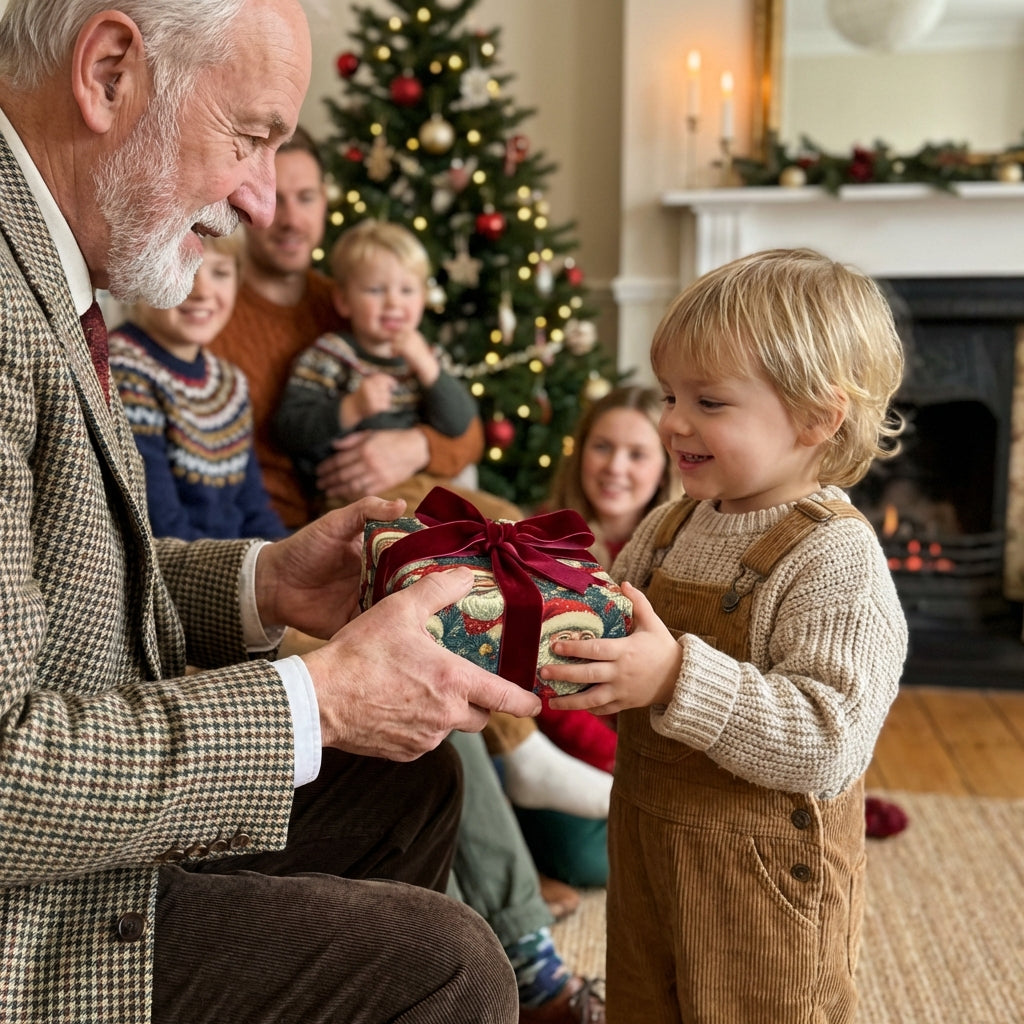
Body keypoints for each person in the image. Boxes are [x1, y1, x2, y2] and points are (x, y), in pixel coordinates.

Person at [0, 3, 542, 1022]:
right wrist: (318, 700)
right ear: (109, 70)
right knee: (449, 968)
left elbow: (45, 574)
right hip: (29, 926)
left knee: (410, 787)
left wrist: (267, 581)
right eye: (249, 138)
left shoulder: (50, 261)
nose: (259, 199)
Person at [211, 127, 603, 1023]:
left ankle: (556, 733)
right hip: (300, 535)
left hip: (372, 516)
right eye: (264, 182)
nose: (281, 207)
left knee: (502, 536)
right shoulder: (208, 293)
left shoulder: (341, 297)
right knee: (432, 627)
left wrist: (410, 438)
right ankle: (518, 823)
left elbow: (460, 432)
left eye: (305, 192)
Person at [543, 248, 910, 1022]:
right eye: (673, 395)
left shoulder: (834, 556)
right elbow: (616, 634)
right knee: (643, 1003)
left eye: (708, 402)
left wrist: (678, 678)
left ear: (818, 416)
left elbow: (829, 738)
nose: (673, 421)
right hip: (648, 845)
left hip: (765, 887)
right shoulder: (671, 525)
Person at [210, 126, 489, 529]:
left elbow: (469, 435)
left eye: (306, 198)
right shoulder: (211, 313)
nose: (291, 220)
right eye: (273, 196)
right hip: (279, 537)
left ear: (324, 201)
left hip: (392, 501)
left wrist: (416, 447)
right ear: (245, 203)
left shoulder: (360, 302)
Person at [508, 385, 681, 888]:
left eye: (637, 453)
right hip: (567, 749)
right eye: (602, 447)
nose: (615, 468)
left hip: (648, 754)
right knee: (593, 861)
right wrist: (612, 766)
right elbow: (540, 681)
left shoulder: (680, 559)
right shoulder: (538, 540)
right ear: (580, 450)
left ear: (665, 466)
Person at [273, 218, 477, 510]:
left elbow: (459, 423)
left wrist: (427, 367)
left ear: (422, 299)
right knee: (445, 532)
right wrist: (350, 408)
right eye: (376, 291)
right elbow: (289, 430)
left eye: (407, 290)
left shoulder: (424, 355)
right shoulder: (330, 355)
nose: (393, 303)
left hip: (421, 483)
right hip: (354, 494)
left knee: (506, 518)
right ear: (343, 300)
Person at [109, 228, 288, 541]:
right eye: (182, 266)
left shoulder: (229, 385)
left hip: (239, 562)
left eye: (220, 272)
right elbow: (160, 524)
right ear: (140, 273)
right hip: (184, 574)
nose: (202, 290)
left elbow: (253, 508)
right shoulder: (125, 372)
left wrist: (286, 558)